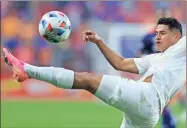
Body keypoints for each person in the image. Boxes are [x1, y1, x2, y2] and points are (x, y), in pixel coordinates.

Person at [2, 17, 186, 128]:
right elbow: (120, 63)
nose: (157, 36)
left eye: (162, 33)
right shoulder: (155, 58)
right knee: (89, 79)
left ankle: (26, 69)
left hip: (146, 97)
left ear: (176, 37)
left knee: (88, 79)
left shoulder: (182, 49)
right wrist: (99, 41)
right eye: (156, 33)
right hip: (147, 114)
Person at [140, 27, 177, 128]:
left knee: (159, 101)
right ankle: (169, 121)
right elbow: (142, 52)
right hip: (151, 72)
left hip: (165, 73)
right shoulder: (149, 36)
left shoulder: (173, 37)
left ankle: (168, 122)